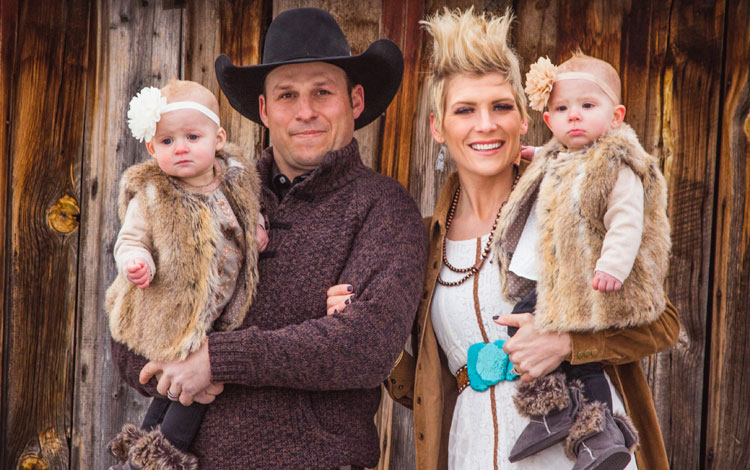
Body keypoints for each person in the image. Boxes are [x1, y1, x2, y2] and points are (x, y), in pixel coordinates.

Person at [109, 7, 428, 470]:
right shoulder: (193, 195)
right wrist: (177, 369)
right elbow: (126, 332)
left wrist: (217, 358)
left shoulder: (384, 209)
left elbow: (364, 345)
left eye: (323, 92)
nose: (305, 111)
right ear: (263, 109)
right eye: (286, 95)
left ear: (355, 101)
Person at [362, 7, 677, 470]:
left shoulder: (568, 200)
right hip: (471, 455)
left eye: (501, 107)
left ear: (527, 120)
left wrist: (569, 345)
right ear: (438, 128)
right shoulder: (423, 242)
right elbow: (429, 389)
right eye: (465, 110)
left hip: (577, 457)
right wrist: (370, 331)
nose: (485, 124)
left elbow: (662, 322)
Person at [495, 51, 671, 469]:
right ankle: (552, 412)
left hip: (593, 287)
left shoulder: (616, 163)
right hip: (561, 286)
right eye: (562, 108)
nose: (574, 116)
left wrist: (612, 265)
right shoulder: (559, 156)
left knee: (580, 355)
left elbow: (626, 220)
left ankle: (600, 431)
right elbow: (552, 163)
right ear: (549, 120)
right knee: (528, 318)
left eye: (587, 106)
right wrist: (530, 153)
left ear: (615, 115)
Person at [105, 79, 266, 469]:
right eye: (166, 142)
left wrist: (257, 228)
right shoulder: (152, 195)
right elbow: (130, 238)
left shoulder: (234, 180)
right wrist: (135, 261)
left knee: (173, 391)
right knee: (187, 395)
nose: (180, 148)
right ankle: (160, 458)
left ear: (219, 138)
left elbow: (247, 212)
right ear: (151, 148)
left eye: (192, 136)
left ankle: (141, 447)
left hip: (219, 314)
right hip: (175, 313)